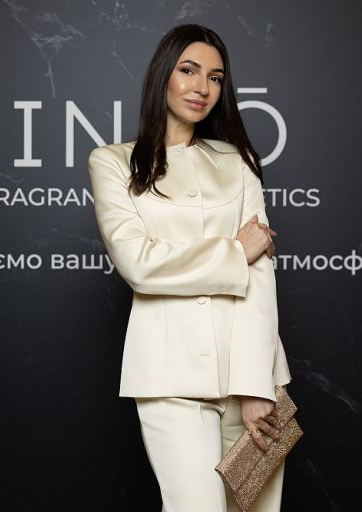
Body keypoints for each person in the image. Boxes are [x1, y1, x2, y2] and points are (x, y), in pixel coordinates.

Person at [87, 24, 292, 512]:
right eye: (189, 70)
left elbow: (260, 281)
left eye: (215, 78)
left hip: (252, 374)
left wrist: (255, 385)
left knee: (255, 510)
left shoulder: (239, 160)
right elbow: (139, 264)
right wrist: (234, 252)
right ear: (163, 75)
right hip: (168, 377)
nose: (202, 87)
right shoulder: (112, 162)